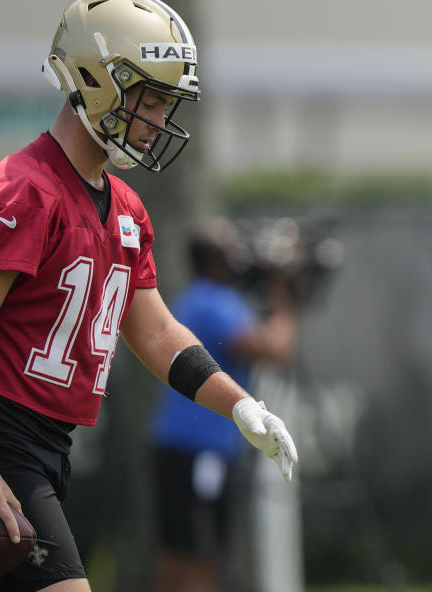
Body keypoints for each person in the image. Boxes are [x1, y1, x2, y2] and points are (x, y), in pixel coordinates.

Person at [0, 0, 297, 592]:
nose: (159, 121)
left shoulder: (124, 207)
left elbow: (155, 332)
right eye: (150, 100)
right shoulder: (21, 193)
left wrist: (240, 405)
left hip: (47, 443)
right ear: (94, 81)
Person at [149, 219, 297, 592]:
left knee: (180, 546)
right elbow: (273, 348)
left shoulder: (194, 297)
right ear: (217, 261)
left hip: (181, 444)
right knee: (202, 550)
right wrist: (284, 294)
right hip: (200, 448)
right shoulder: (216, 303)